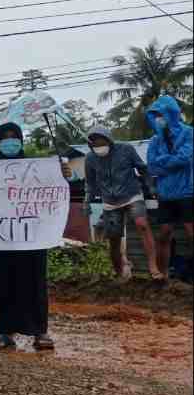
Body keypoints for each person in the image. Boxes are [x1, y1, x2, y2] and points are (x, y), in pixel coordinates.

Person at [0, 123, 55, 351]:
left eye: (14, 137)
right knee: (2, 283)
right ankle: (5, 333)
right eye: (5, 137)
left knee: (34, 282)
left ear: (21, 140)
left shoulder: (35, 168)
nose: (10, 141)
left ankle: (40, 332)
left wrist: (62, 173)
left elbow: (55, 188)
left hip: (31, 236)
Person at [82, 123, 161, 280]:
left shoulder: (126, 149)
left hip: (132, 194)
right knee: (114, 239)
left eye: (102, 143)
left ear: (109, 140)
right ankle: (118, 274)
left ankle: (153, 267)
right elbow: (90, 183)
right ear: (90, 146)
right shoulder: (90, 158)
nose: (99, 147)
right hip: (110, 202)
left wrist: (151, 187)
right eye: (95, 145)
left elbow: (142, 169)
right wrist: (87, 201)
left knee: (142, 225)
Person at [146, 95, 194, 281]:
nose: (159, 118)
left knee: (192, 233)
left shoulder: (188, 133)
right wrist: (169, 163)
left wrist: (163, 161)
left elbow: (185, 158)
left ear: (171, 114)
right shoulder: (155, 141)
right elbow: (152, 167)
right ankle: (163, 275)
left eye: (161, 114)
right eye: (155, 115)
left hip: (188, 191)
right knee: (164, 233)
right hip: (165, 194)